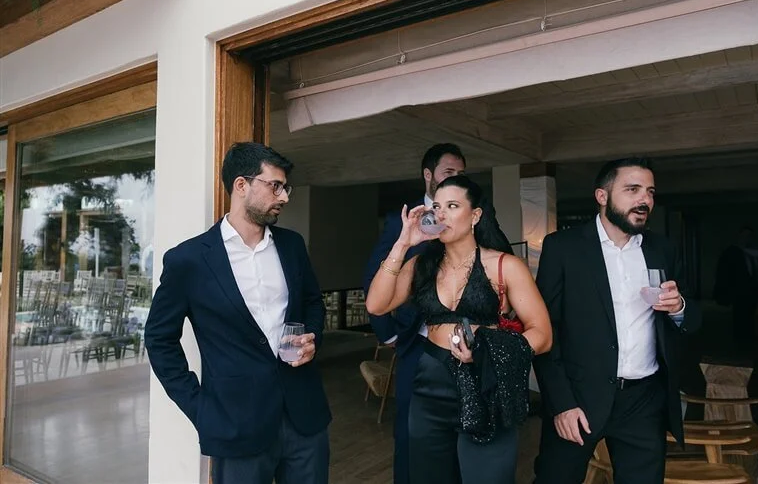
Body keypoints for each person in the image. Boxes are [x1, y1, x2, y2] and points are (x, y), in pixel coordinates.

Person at [145, 143, 331, 484]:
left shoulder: (292, 245)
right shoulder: (189, 260)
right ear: (242, 185)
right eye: (275, 186)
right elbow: (158, 339)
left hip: (305, 418)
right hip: (234, 424)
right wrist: (199, 407)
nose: (284, 196)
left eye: (285, 187)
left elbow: (312, 303)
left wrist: (312, 338)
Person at [366, 174, 553, 484]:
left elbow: (543, 334)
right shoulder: (421, 265)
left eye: (453, 206)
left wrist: (488, 350)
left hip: (486, 385)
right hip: (430, 385)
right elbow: (376, 305)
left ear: (475, 215)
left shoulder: (504, 265)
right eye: (437, 207)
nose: (442, 214)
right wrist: (404, 243)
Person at [533, 157, 700, 484]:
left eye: (650, 192)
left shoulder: (661, 249)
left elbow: (693, 314)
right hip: (578, 399)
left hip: (644, 401)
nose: (645, 200)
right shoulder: (563, 248)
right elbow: (544, 331)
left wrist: (679, 305)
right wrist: (562, 403)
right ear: (602, 196)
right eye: (633, 189)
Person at [713, 226, 758, 348]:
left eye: (749, 236)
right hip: (739, 289)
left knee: (750, 313)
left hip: (752, 288)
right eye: (745, 235)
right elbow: (725, 272)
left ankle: (748, 337)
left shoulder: (753, 252)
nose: (747, 238)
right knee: (740, 314)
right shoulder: (732, 252)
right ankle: (740, 340)